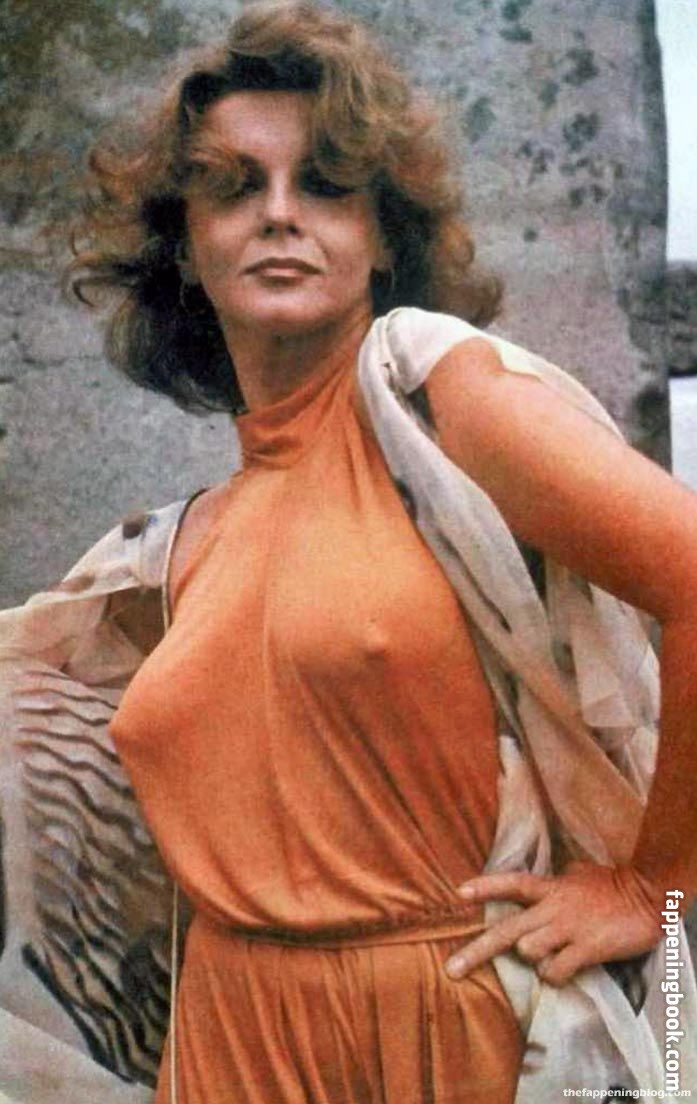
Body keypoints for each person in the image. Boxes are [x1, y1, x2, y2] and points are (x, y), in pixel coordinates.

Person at [1, 1, 696, 1102]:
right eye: (235, 187)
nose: (280, 214)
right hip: (222, 1048)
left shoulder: (433, 398)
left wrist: (653, 887)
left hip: (434, 1035)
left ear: (382, 239)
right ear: (185, 247)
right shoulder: (174, 552)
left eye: (325, 186)